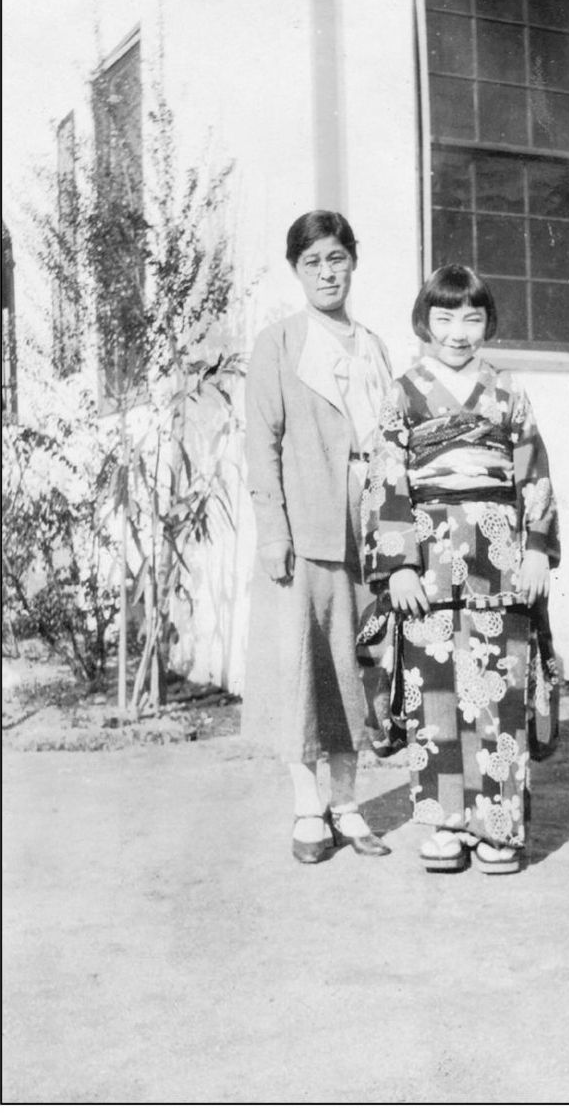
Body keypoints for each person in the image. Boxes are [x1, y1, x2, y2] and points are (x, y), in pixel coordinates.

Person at [358, 264, 560, 874]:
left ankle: (498, 828)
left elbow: (534, 475)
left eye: (472, 317)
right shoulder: (404, 393)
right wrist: (397, 567)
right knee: (433, 694)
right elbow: (385, 478)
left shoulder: (508, 395)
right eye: (444, 317)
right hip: (427, 561)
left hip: (499, 557)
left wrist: (535, 551)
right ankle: (445, 825)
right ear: (425, 321)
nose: (458, 331)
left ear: (487, 322)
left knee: (498, 692)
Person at [244, 210, 393, 864]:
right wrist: (273, 531)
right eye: (313, 262)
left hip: (367, 530)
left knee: (357, 670)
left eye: (336, 258)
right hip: (305, 532)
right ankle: (308, 807)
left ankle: (348, 803)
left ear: (352, 261)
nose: (327, 272)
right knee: (304, 669)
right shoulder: (278, 343)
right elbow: (261, 444)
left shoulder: (374, 346)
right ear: (296, 270)